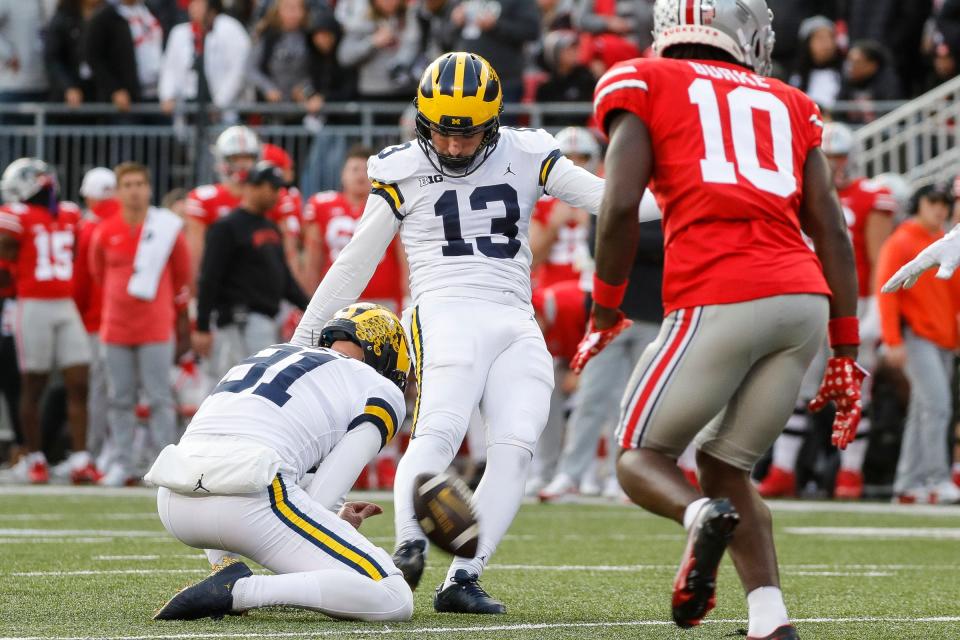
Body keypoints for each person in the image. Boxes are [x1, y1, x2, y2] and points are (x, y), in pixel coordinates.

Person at [291, 51, 613, 613]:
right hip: (443, 305)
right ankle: (409, 546)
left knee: (515, 447)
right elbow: (354, 264)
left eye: (469, 135)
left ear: (493, 123)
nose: (456, 146)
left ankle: (464, 577)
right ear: (423, 120)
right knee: (438, 429)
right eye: (443, 132)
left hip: (515, 314)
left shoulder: (527, 152)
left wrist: (705, 196)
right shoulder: (401, 166)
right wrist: (304, 336)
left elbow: (614, 201)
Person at [580, 1, 863, 638]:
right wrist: (845, 350)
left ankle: (700, 516)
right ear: (741, 33)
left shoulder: (646, 78)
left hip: (720, 289)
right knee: (728, 464)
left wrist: (603, 305)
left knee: (639, 457)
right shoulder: (788, 99)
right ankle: (769, 618)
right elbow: (833, 231)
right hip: (802, 300)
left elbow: (620, 206)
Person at [149, 303, 414, 622]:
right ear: (389, 359)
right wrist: (332, 520)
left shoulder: (276, 354)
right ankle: (240, 590)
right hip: (248, 500)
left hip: (174, 499)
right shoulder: (380, 388)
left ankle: (225, 570)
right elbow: (323, 495)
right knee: (393, 596)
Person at [90, 162, 191, 486]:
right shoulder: (104, 230)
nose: (134, 191)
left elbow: (182, 276)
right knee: (120, 397)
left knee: (159, 396)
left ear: (149, 189)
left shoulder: (166, 230)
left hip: (155, 327)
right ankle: (123, 462)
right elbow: (97, 273)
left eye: (139, 184)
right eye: (127, 185)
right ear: (118, 192)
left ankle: (162, 464)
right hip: (116, 327)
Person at [0, 159, 95, 484]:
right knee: (34, 383)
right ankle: (35, 456)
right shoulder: (17, 216)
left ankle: (81, 458)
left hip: (64, 305)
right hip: (34, 305)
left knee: (79, 380)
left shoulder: (68, 212)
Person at [876, 184, 960, 505]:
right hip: (916, 337)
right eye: (933, 202)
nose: (940, 208)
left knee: (922, 410)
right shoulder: (901, 240)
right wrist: (892, 340)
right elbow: (888, 292)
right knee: (938, 406)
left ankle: (908, 484)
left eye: (946, 203)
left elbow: (954, 295)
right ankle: (937, 479)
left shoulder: (946, 241)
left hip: (942, 339)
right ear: (918, 204)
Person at [194, 162, 310, 380]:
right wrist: (202, 325)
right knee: (244, 382)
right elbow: (209, 277)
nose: (277, 194)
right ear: (252, 186)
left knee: (261, 381)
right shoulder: (227, 227)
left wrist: (310, 307)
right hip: (240, 320)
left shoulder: (270, 227)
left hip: (267, 317)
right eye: (272, 188)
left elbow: (285, 280)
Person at [303, 145, 408, 312]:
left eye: (366, 170)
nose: (361, 175)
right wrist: (307, 302)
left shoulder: (390, 205)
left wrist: (408, 299)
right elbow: (313, 259)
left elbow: (404, 257)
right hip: (335, 301)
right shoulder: (322, 205)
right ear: (342, 174)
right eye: (354, 169)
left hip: (383, 302)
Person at [72, 167, 120, 465]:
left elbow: (81, 281)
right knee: (128, 392)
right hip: (132, 321)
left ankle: (97, 452)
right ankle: (122, 452)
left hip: (96, 320)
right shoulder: (134, 220)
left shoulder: (90, 227)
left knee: (100, 390)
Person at [184, 125, 261, 279]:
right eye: (235, 158)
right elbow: (195, 254)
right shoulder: (204, 199)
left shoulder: (270, 197)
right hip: (220, 282)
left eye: (247, 157)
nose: (242, 164)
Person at [158, 0, 251, 115]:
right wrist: (167, 95)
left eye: (199, 3)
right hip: (187, 103)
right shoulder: (179, 32)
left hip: (221, 107)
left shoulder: (229, 28)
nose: (194, 7)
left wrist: (219, 104)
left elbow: (239, 70)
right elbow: (169, 67)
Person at [85, 0, 164, 111]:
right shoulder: (105, 17)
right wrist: (114, 89)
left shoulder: (152, 11)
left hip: (158, 96)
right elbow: (93, 56)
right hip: (127, 100)